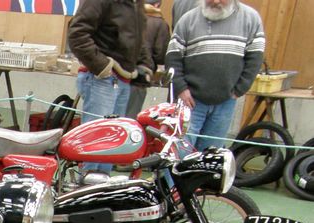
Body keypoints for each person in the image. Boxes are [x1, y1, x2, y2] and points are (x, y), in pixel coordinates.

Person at [165, 0, 264, 150]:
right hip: (190, 101)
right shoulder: (187, 20)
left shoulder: (251, 19)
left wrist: (240, 89)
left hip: (226, 101)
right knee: (180, 151)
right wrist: (181, 89)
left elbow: (255, 59)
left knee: (210, 153)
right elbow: (172, 58)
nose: (215, 1)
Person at [68, 0, 153, 173]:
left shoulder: (135, 3)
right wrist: (102, 65)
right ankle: (84, 192)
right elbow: (77, 33)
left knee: (112, 145)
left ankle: (97, 192)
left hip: (118, 79)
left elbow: (136, 39)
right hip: (103, 78)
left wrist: (144, 64)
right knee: (96, 143)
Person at [125, 0, 169, 118]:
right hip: (141, 75)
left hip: (121, 72)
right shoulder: (160, 24)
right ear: (157, 5)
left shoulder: (129, 17)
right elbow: (160, 55)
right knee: (130, 116)